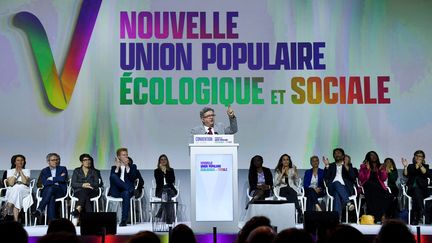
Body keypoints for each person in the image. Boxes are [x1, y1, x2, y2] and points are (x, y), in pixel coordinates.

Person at [359, 151, 394, 223]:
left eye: (375, 155)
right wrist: (367, 170)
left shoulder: (380, 166)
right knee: (373, 188)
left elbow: (383, 178)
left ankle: (380, 216)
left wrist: (382, 171)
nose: (374, 156)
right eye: (371, 155)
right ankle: (380, 216)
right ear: (368, 157)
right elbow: (362, 179)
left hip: (378, 186)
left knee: (389, 196)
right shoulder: (363, 166)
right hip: (367, 185)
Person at [108, 148, 139, 226]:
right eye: (123, 155)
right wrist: (117, 168)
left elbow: (133, 178)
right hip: (116, 191)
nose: (126, 156)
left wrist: (127, 166)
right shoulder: (113, 168)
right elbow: (112, 180)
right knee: (113, 176)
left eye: (127, 155)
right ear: (119, 157)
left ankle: (123, 220)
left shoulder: (133, 167)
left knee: (126, 193)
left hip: (125, 192)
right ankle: (131, 189)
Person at [33, 153, 68, 222]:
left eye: (56, 160)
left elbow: (63, 179)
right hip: (47, 191)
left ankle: (40, 209)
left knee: (51, 188)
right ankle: (52, 221)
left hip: (59, 191)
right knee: (51, 196)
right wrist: (57, 179)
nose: (55, 161)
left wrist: (51, 178)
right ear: (48, 161)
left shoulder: (63, 169)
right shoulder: (44, 171)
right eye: (53, 160)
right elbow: (45, 183)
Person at [323, 148, 356, 220]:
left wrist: (346, 166)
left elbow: (353, 177)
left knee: (337, 194)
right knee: (337, 183)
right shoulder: (330, 166)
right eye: (335, 153)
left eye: (338, 153)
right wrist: (327, 166)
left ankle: (337, 219)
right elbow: (326, 177)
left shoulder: (348, 165)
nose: (337, 154)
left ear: (343, 155)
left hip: (345, 189)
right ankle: (348, 202)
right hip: (332, 187)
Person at [402, 150, 430, 225]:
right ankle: (421, 210)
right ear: (414, 157)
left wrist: (420, 165)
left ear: (423, 158)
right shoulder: (411, 166)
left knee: (416, 195)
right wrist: (405, 167)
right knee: (415, 192)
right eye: (416, 155)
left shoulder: (426, 166)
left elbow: (426, 173)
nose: (418, 157)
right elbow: (405, 175)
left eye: (420, 156)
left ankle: (415, 219)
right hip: (411, 190)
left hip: (423, 190)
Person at [3, 154, 33, 222]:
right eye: (18, 160)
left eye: (22, 160)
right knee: (17, 192)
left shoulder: (27, 170)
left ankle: (7, 207)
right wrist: (16, 173)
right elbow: (11, 183)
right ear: (14, 162)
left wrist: (21, 172)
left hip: (24, 189)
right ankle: (16, 221)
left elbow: (25, 182)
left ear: (24, 162)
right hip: (13, 189)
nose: (20, 162)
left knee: (17, 189)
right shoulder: (10, 171)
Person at [70, 154, 101, 218]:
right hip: (78, 192)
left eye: (88, 159)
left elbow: (97, 184)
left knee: (84, 192)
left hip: (91, 191)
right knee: (85, 197)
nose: (87, 161)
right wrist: (83, 185)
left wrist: (88, 184)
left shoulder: (94, 171)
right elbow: (73, 183)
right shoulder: (77, 171)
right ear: (81, 162)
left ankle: (78, 209)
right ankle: (90, 219)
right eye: (85, 160)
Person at [154, 154, 177, 224]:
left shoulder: (171, 170)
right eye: (162, 159)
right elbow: (158, 181)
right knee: (167, 195)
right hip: (160, 191)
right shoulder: (156, 171)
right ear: (159, 162)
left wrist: (165, 172)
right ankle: (169, 220)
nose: (163, 161)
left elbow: (172, 180)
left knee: (168, 192)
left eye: (165, 159)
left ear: (167, 161)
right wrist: (162, 172)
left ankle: (160, 212)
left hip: (171, 189)